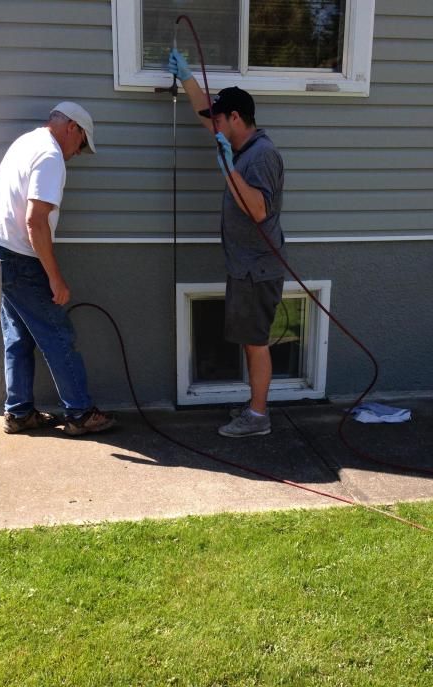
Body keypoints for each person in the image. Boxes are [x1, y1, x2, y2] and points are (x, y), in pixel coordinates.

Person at [0, 101, 115, 437]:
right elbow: (35, 222)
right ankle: (80, 413)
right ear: (73, 128)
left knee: (19, 336)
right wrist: (55, 278)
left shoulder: (26, 142)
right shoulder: (50, 156)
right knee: (57, 335)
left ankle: (19, 413)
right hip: (18, 259)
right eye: (81, 144)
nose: (78, 152)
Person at [169, 50, 287, 438]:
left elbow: (258, 209)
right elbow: (207, 111)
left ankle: (258, 417)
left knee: (256, 343)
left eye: (220, 119)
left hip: (257, 267)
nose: (214, 126)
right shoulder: (240, 148)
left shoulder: (262, 156)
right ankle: (255, 406)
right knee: (250, 341)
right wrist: (186, 77)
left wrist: (228, 169)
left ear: (236, 118)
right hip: (246, 265)